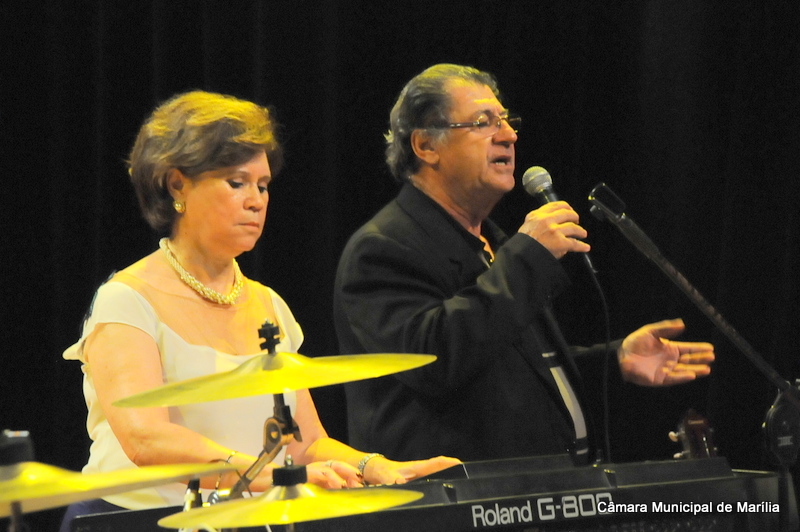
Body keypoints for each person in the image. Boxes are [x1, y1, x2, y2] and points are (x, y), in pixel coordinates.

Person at [60, 90, 458, 531]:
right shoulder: (126, 298)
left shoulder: (270, 306)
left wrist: (373, 466)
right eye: (237, 183)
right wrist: (264, 475)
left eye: (263, 185)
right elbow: (145, 439)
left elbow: (305, 445)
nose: (256, 200)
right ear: (177, 185)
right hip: (133, 521)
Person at [333, 64, 715, 465]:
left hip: (546, 491)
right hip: (459, 495)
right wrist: (526, 257)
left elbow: (509, 370)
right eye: (483, 122)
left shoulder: (493, 241)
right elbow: (434, 360)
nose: (509, 135)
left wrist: (612, 358)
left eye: (506, 120)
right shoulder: (381, 249)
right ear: (426, 146)